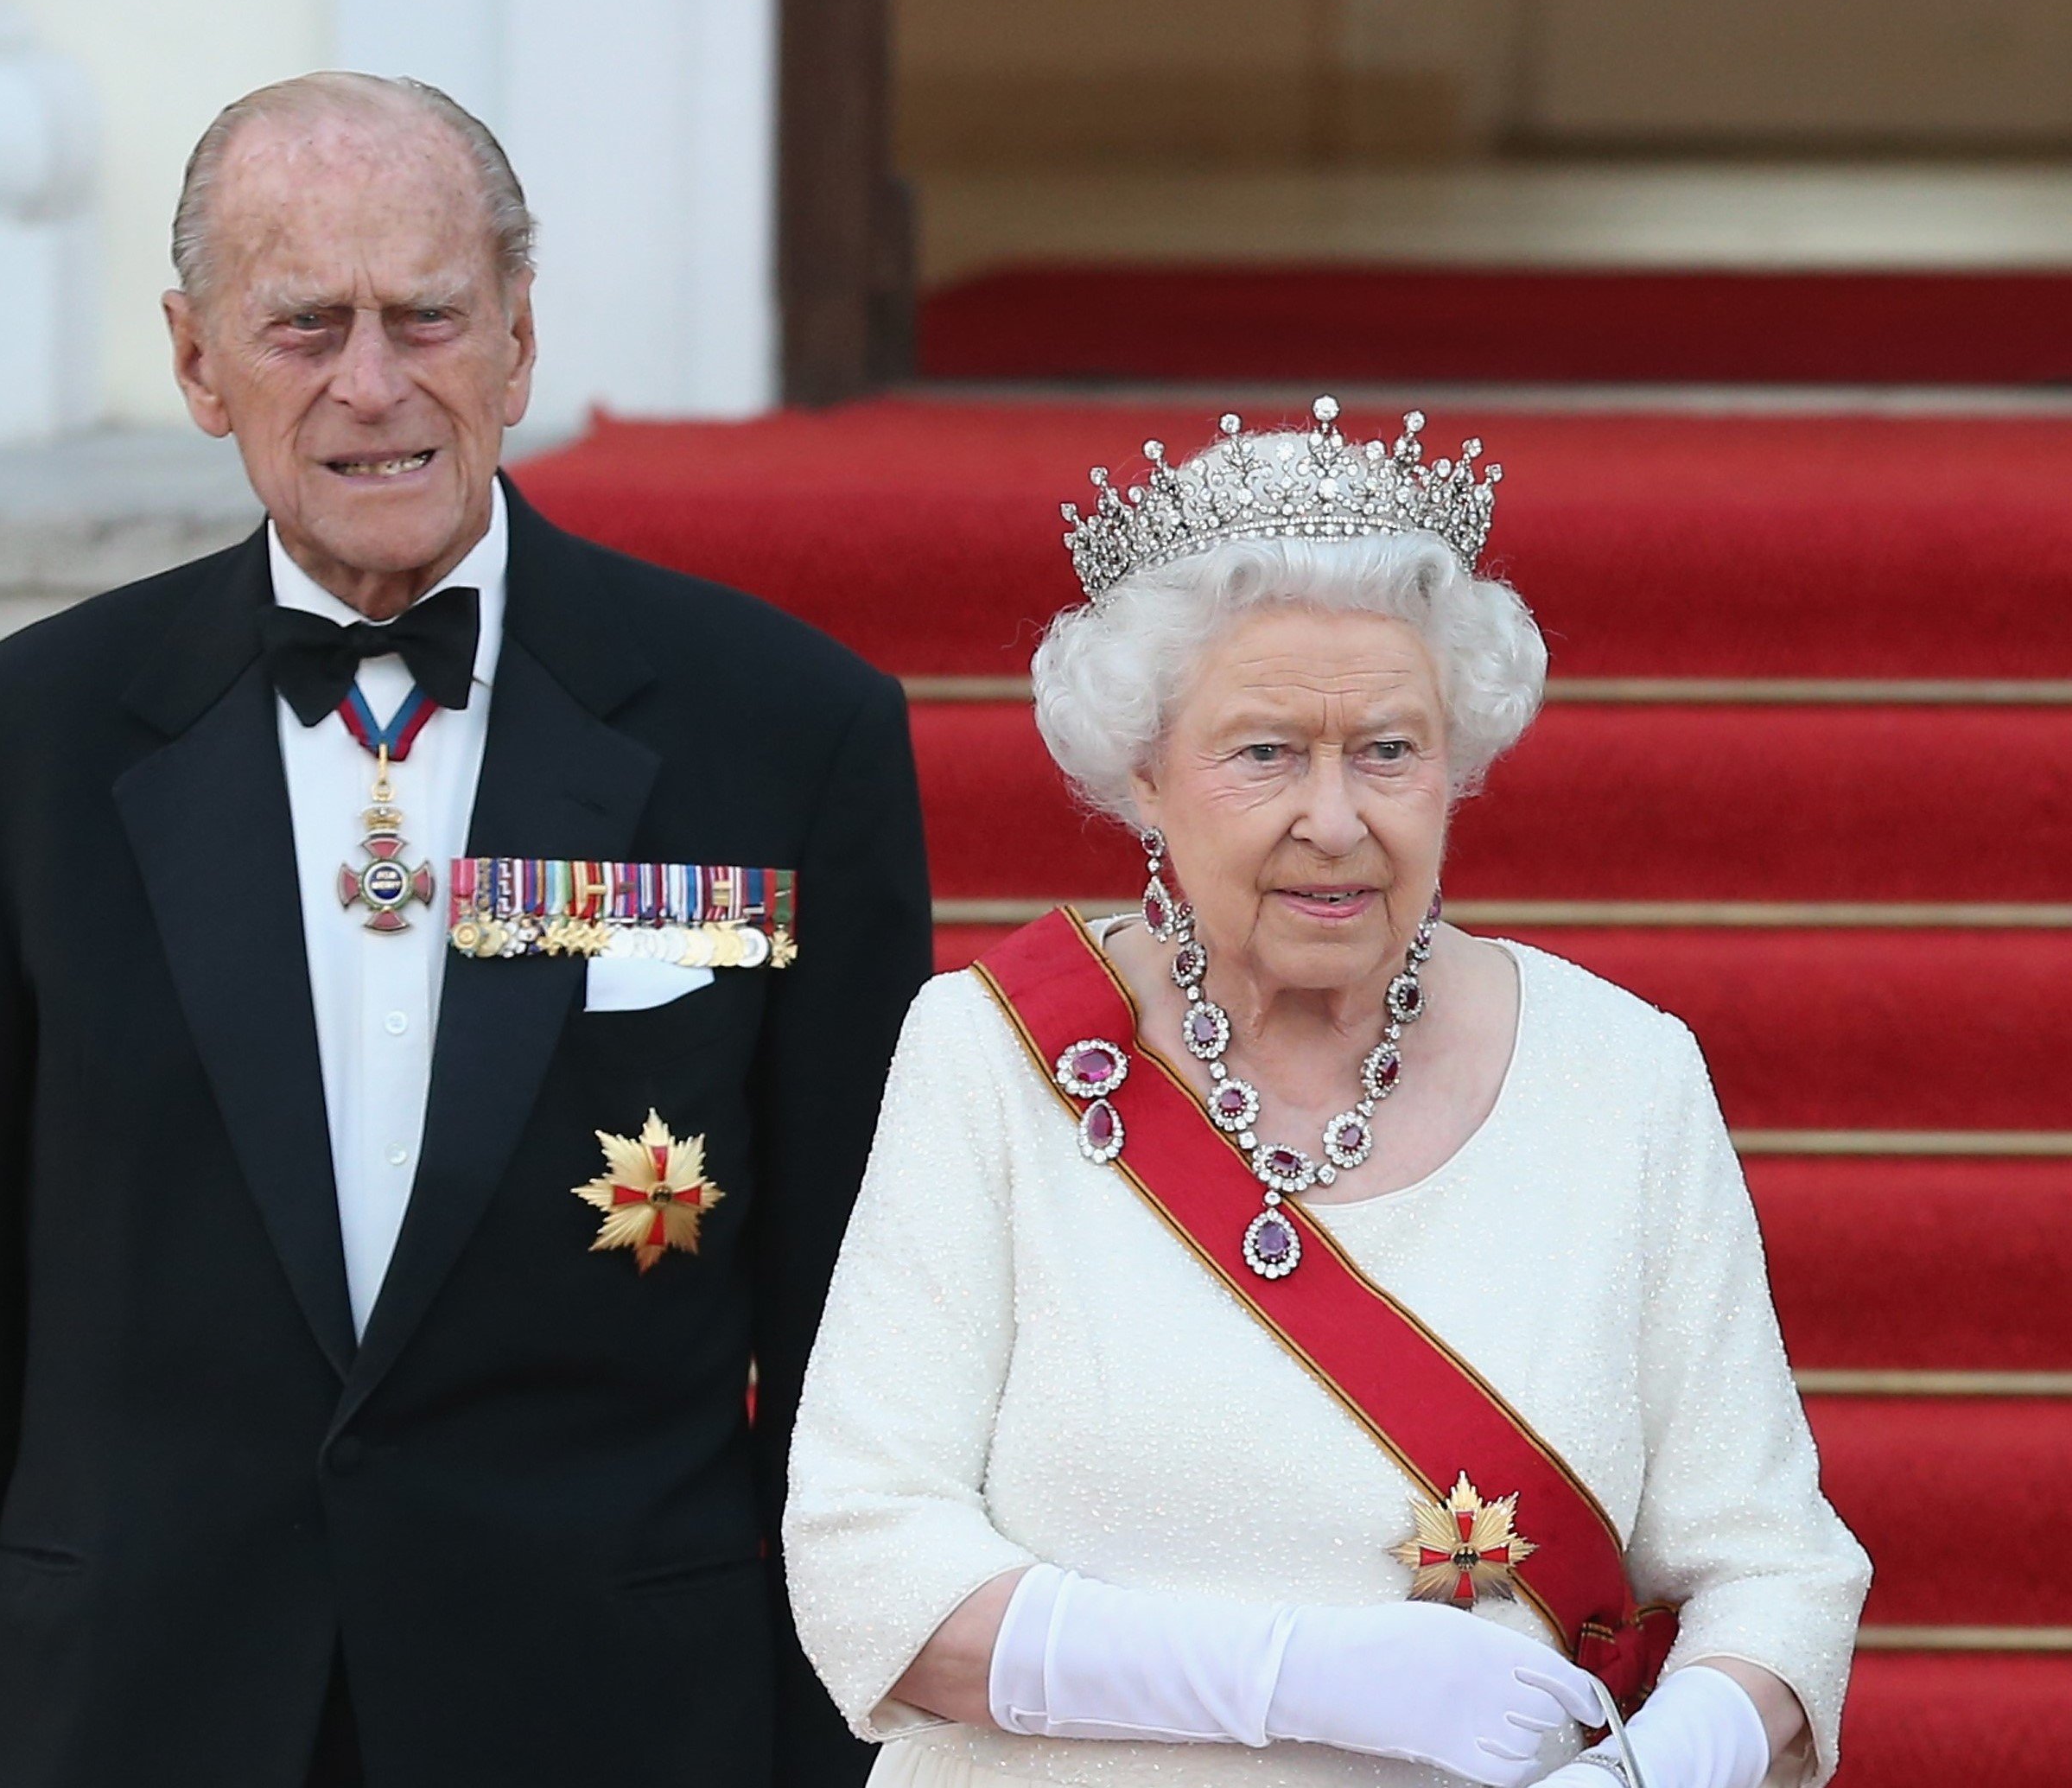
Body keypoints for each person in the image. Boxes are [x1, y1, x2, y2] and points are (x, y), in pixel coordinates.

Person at [0, 72, 925, 1788]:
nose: (372, 383)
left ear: (517, 338)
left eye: (428, 316)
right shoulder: (13, 749)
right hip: (131, 1712)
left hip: (617, 1713)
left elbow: (864, 1333)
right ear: (197, 361)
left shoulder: (784, 732)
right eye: (302, 325)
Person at [783, 399, 1869, 1788]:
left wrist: (1654, 1772)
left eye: (1390, 751)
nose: (1338, 818)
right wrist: (1294, 1679)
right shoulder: (988, 1059)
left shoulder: (1625, 1075)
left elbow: (1777, 1572)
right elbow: (868, 1564)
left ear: (1458, 763)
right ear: (1143, 772)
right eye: (1265, 753)